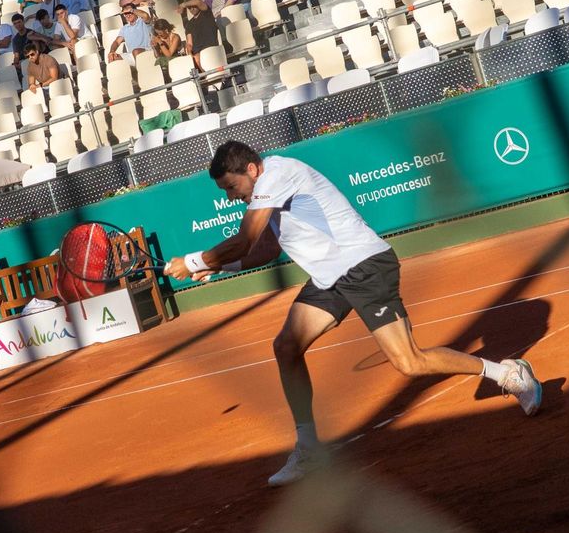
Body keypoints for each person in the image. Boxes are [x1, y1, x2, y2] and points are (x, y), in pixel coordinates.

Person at [165, 141, 543, 487]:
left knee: (409, 362)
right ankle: (309, 448)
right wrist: (218, 268)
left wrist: (194, 260)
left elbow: (246, 240)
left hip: (364, 266)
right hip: (331, 276)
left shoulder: (278, 174)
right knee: (286, 346)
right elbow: (263, 251)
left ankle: (508, 373)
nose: (231, 197)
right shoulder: (265, 191)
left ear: (251, 170)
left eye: (231, 187)